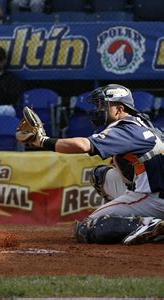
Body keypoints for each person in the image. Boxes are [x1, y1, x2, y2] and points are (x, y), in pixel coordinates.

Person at [17, 84, 164, 245]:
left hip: (154, 198)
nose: (99, 109)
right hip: (155, 189)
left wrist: (43, 141)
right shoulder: (143, 123)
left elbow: (83, 145)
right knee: (100, 176)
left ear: (120, 109)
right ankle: (133, 218)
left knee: (88, 227)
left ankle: (150, 224)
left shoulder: (126, 128)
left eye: (104, 105)